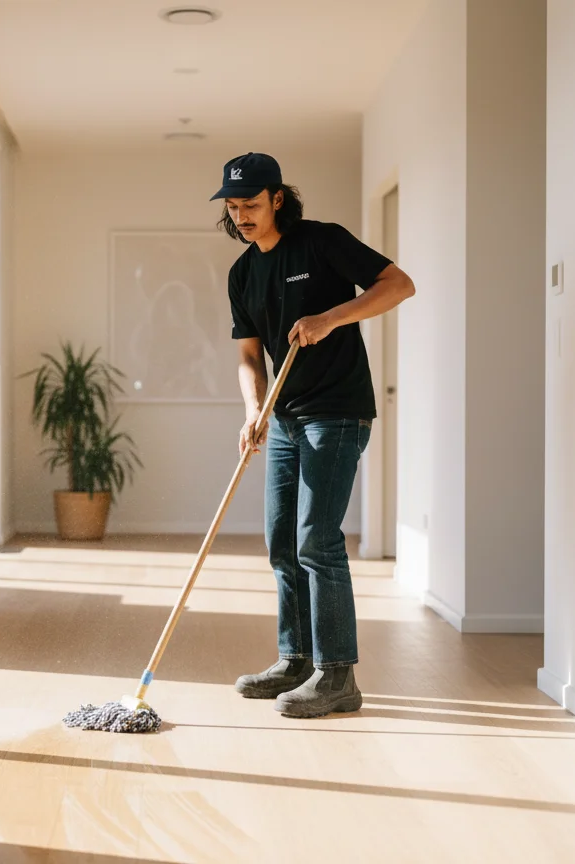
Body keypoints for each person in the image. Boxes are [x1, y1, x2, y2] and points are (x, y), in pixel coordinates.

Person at [211, 152, 415, 718]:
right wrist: (254, 410)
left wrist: (331, 318)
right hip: (285, 417)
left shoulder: (322, 242)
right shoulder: (243, 273)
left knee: (316, 540)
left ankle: (336, 675)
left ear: (278, 198)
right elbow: (250, 356)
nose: (242, 216)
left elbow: (399, 285)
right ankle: (295, 659)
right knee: (281, 542)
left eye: (251, 204)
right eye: (233, 206)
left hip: (338, 411)